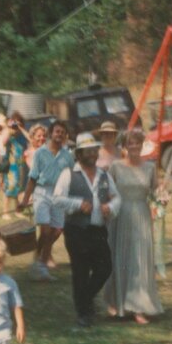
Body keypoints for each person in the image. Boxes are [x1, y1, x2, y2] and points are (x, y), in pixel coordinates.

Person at [54, 132, 121, 327]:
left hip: (98, 229)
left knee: (105, 267)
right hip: (76, 229)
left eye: (94, 150)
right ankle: (83, 313)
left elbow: (116, 197)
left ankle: (85, 299)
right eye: (87, 151)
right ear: (79, 154)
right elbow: (57, 199)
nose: (92, 154)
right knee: (80, 271)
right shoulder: (69, 175)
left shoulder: (104, 174)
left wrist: (111, 207)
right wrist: (77, 204)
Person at [104, 128, 163, 324]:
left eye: (138, 142)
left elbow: (156, 192)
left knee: (139, 260)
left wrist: (162, 198)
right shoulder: (116, 167)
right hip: (120, 215)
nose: (135, 146)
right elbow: (108, 193)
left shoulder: (150, 168)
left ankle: (139, 307)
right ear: (124, 146)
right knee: (119, 257)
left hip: (142, 216)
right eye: (131, 143)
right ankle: (116, 302)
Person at [18, 121, 74, 281]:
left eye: (62, 132)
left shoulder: (67, 156)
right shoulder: (40, 153)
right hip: (42, 192)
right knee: (45, 230)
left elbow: (72, 177)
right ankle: (40, 265)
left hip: (59, 193)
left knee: (56, 231)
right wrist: (25, 200)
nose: (59, 135)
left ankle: (40, 261)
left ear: (65, 136)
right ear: (51, 133)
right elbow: (32, 178)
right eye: (57, 132)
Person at [1, 117, 28, 214]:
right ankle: (5, 212)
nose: (15, 127)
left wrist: (21, 128)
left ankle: (17, 211)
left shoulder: (21, 137)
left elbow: (30, 138)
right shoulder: (9, 135)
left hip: (20, 167)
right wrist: (9, 128)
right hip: (10, 167)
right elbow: (2, 142)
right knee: (8, 189)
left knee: (18, 189)